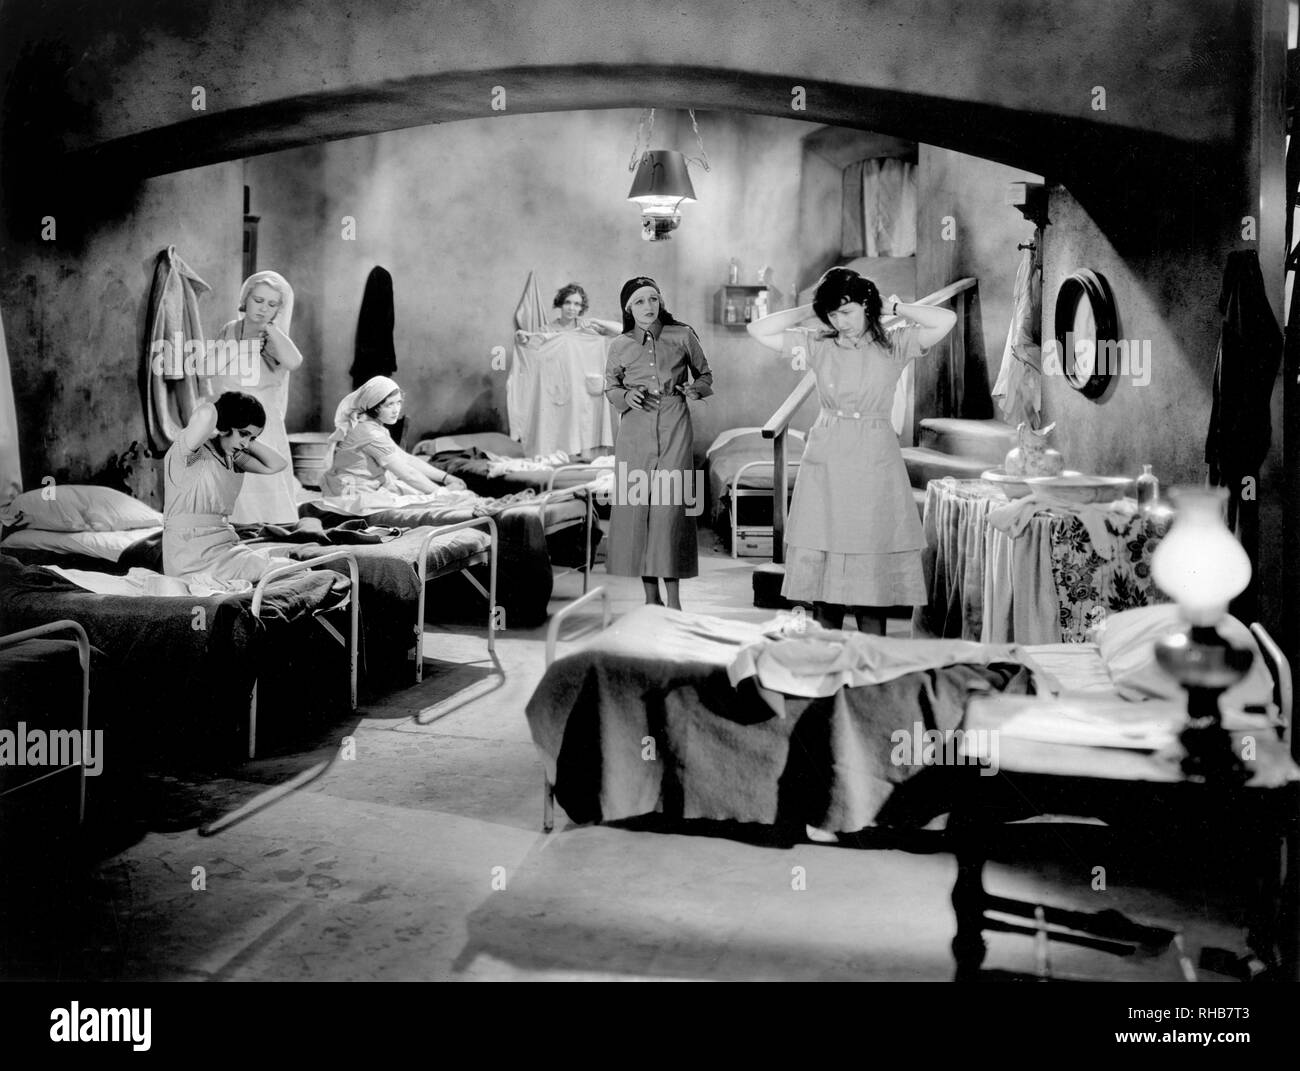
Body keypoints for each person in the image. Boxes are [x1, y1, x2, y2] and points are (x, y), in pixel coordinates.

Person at [748, 268, 956, 634]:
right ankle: (824, 666)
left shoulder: (894, 343)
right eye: (831, 313)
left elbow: (946, 319)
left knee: (870, 585)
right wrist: (808, 311)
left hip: (874, 455)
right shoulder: (819, 343)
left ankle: (867, 670)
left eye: (846, 311)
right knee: (825, 588)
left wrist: (896, 306)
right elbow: (759, 330)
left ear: (866, 304)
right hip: (828, 455)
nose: (838, 321)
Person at [604, 276, 713, 610]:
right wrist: (626, 395)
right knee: (639, 514)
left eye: (653, 299)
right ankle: (651, 599)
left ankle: (675, 602)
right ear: (628, 308)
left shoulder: (683, 335)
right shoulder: (620, 344)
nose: (648, 307)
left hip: (675, 425)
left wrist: (695, 390)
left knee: (670, 512)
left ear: (660, 301)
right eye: (639, 301)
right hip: (634, 432)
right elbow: (610, 386)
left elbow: (705, 375)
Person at [162, 392, 291, 582]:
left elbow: (277, 464)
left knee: (282, 564)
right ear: (224, 425)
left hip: (224, 545)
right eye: (243, 433)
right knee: (281, 569)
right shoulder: (191, 456)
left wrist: (244, 439)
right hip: (191, 555)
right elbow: (207, 414)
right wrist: (224, 424)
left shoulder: (232, 458)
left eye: (252, 438)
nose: (246, 443)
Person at [208, 270, 304, 525]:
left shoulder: (274, 336)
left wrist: (268, 333)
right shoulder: (230, 330)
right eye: (258, 300)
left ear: (278, 310)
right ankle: (236, 529)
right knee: (235, 481)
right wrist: (241, 344)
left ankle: (272, 529)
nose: (263, 309)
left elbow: (294, 362)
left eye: (272, 304)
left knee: (265, 479)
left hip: (264, 419)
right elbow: (207, 368)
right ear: (246, 299)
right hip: (232, 415)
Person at [320, 376, 468, 501]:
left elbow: (406, 459)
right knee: (433, 501)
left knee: (424, 494)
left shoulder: (369, 426)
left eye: (398, 402)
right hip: (355, 497)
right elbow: (407, 473)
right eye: (389, 404)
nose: (396, 410)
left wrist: (446, 478)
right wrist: (443, 494)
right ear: (374, 406)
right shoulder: (370, 433)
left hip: (361, 489)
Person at [514, 283, 622, 345]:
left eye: (576, 304)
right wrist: (524, 340)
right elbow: (532, 351)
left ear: (581, 307)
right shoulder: (546, 330)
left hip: (583, 379)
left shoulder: (588, 328)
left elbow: (622, 331)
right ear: (560, 304)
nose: (571, 308)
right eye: (567, 302)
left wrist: (596, 321)